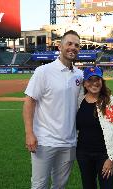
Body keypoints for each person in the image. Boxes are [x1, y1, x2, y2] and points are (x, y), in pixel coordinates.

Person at [23, 30, 83, 189]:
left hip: (69, 142)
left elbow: (83, 104)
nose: (73, 47)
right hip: (44, 141)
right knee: (39, 185)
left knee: (60, 185)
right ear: (60, 46)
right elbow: (29, 102)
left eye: (77, 45)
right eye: (69, 43)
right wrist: (29, 133)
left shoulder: (79, 75)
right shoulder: (43, 71)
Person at [76, 66, 113, 189]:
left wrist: (110, 159)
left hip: (104, 155)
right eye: (90, 80)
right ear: (84, 83)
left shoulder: (111, 102)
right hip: (83, 154)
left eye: (97, 79)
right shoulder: (79, 102)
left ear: (102, 81)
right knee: (88, 186)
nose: (94, 83)